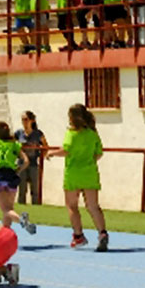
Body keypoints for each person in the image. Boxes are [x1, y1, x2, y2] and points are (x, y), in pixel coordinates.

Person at [46, 103, 109, 252]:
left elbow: (66, 150)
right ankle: (102, 233)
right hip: (89, 173)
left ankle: (78, 236)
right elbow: (99, 153)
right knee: (93, 206)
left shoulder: (71, 134)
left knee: (72, 206)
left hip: (73, 173)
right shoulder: (93, 134)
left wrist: (52, 153)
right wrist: (88, 160)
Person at [13, 111, 46, 205]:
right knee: (22, 189)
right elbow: (12, 145)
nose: (24, 122)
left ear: (32, 120)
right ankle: (21, 209)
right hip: (22, 164)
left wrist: (43, 155)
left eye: (26, 119)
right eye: (22, 120)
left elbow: (45, 146)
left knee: (35, 190)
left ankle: (36, 209)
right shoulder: (18, 133)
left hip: (34, 164)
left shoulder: (38, 134)